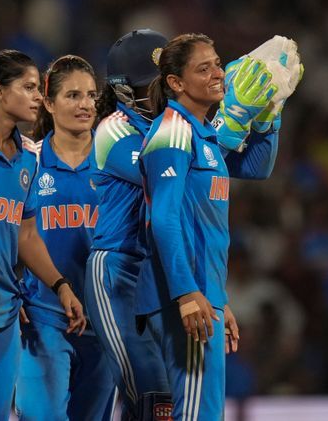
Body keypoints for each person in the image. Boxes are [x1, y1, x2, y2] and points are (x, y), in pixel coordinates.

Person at [137, 33, 281, 420]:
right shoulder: (173, 133)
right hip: (181, 295)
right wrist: (187, 293)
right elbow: (163, 218)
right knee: (196, 413)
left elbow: (257, 168)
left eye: (217, 63)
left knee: (205, 412)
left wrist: (270, 113)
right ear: (176, 82)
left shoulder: (202, 133)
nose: (218, 73)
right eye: (204, 69)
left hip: (203, 292)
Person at [0, 49, 86, 420]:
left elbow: (26, 234)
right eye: (30, 87)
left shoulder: (28, 158)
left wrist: (60, 285)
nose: (38, 96)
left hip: (6, 309)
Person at [15, 54, 115, 420]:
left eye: (90, 95)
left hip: (105, 319)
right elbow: (6, 232)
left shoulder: (117, 161)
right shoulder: (29, 161)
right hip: (44, 316)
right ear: (49, 102)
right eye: (73, 95)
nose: (85, 104)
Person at [83, 29, 173, 421]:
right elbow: (164, 175)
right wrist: (224, 127)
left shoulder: (172, 126)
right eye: (152, 85)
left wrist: (261, 122)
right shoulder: (113, 129)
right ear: (124, 90)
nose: (164, 92)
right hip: (117, 272)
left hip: (159, 273)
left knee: (165, 398)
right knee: (149, 391)